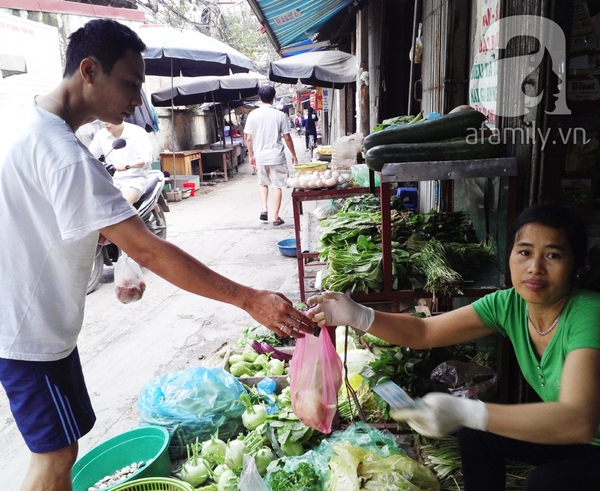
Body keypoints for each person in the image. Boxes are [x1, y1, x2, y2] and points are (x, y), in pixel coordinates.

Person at [0, 19, 315, 491]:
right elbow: (150, 248)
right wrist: (250, 299)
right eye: (130, 83)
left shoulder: (36, 123)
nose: (137, 98)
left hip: (40, 324)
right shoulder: (61, 150)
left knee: (64, 446)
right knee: (55, 454)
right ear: (89, 70)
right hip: (26, 331)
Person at [306, 202, 600, 491]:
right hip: (577, 441)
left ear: (577, 267)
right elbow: (423, 331)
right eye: (524, 252)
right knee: (476, 434)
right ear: (510, 256)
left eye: (553, 255)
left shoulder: (589, 314)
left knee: (544, 483)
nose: (534, 268)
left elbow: (578, 421)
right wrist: (359, 315)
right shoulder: (508, 304)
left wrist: (466, 410)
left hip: (583, 437)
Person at [244, 85, 298, 226]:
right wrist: (293, 154)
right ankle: (275, 217)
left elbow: (248, 138)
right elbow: (287, 137)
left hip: (260, 157)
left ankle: (264, 209)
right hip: (276, 156)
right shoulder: (280, 115)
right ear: (273, 98)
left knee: (262, 183)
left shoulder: (252, 115)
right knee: (277, 186)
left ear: (259, 98)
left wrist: (251, 155)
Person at [89, 121, 153, 206]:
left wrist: (128, 165)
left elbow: (145, 159)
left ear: (119, 117)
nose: (105, 123)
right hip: (110, 181)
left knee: (124, 204)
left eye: (108, 119)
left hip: (134, 180)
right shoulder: (101, 134)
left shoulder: (137, 132)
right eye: (103, 119)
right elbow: (89, 155)